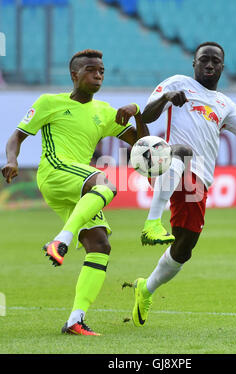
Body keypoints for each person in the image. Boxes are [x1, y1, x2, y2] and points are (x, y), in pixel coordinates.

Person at [131, 41, 236, 327]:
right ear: (193, 64)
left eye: (215, 61)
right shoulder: (177, 83)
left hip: (200, 180)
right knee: (180, 153)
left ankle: (145, 289)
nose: (209, 65)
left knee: (183, 249)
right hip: (164, 160)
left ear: (222, 66)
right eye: (204, 60)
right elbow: (145, 116)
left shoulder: (224, 104)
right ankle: (151, 223)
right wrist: (168, 97)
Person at [2, 49, 149, 336]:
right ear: (75, 75)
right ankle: (60, 240)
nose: (98, 75)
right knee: (105, 183)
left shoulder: (105, 112)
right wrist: (11, 159)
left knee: (100, 245)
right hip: (56, 173)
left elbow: (144, 146)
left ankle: (75, 320)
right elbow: (17, 136)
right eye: (92, 70)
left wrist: (138, 112)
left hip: (79, 186)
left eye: (102, 71)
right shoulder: (49, 103)